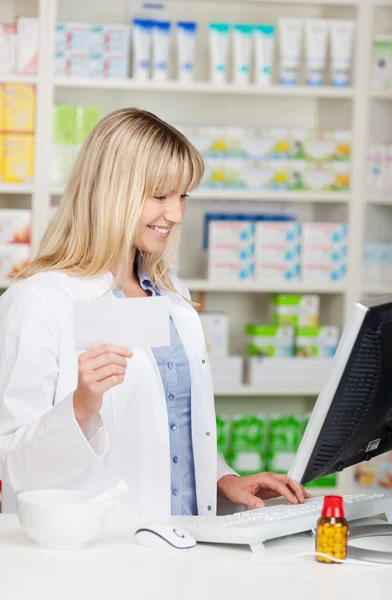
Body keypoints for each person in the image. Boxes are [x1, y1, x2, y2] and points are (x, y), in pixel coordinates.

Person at [0, 108, 310, 516]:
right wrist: (81, 405)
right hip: (94, 556)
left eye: (183, 195)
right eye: (160, 196)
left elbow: (174, 427)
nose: (177, 214)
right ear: (111, 192)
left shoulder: (172, 295)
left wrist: (224, 479)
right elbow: (13, 464)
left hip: (185, 545)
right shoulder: (40, 299)